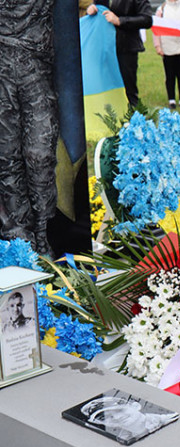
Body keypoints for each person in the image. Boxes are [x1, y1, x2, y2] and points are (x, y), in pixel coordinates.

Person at [0, 0, 59, 257]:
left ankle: (45, 231)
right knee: (7, 156)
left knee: (41, 154)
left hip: (35, 68)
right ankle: (20, 241)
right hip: (2, 69)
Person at [87, 0, 153, 108]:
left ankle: (132, 119)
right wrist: (91, 9)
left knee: (128, 90)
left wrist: (120, 21)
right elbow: (96, 9)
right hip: (103, 48)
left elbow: (147, 20)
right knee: (104, 89)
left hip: (126, 48)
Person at [154, 0, 180, 109]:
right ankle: (171, 99)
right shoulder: (161, 9)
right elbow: (156, 28)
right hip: (168, 45)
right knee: (170, 75)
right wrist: (158, 46)